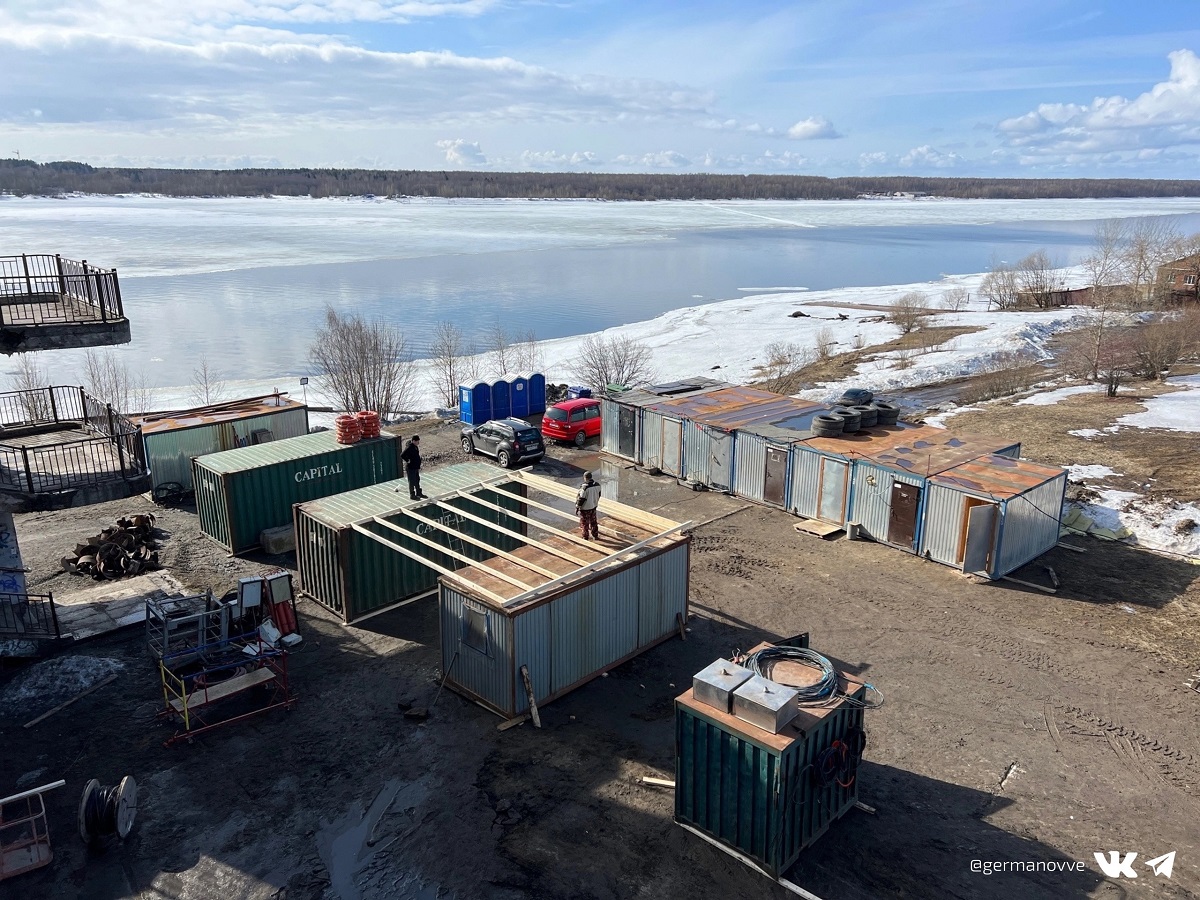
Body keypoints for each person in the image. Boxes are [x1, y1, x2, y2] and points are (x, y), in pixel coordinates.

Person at [575, 471, 602, 540]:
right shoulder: (597, 485)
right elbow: (599, 495)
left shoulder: (584, 487)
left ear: (585, 477)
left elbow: (581, 498)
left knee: (585, 523)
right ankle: (595, 535)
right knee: (593, 522)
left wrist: (577, 507)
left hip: (585, 508)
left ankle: (585, 536)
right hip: (593, 506)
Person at [401, 435, 426, 500]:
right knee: (411, 482)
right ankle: (412, 495)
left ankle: (419, 493)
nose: (418, 443)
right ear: (414, 441)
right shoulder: (409, 447)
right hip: (411, 468)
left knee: (417, 480)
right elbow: (402, 455)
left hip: (415, 467)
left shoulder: (415, 447)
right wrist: (407, 460)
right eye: (417, 441)